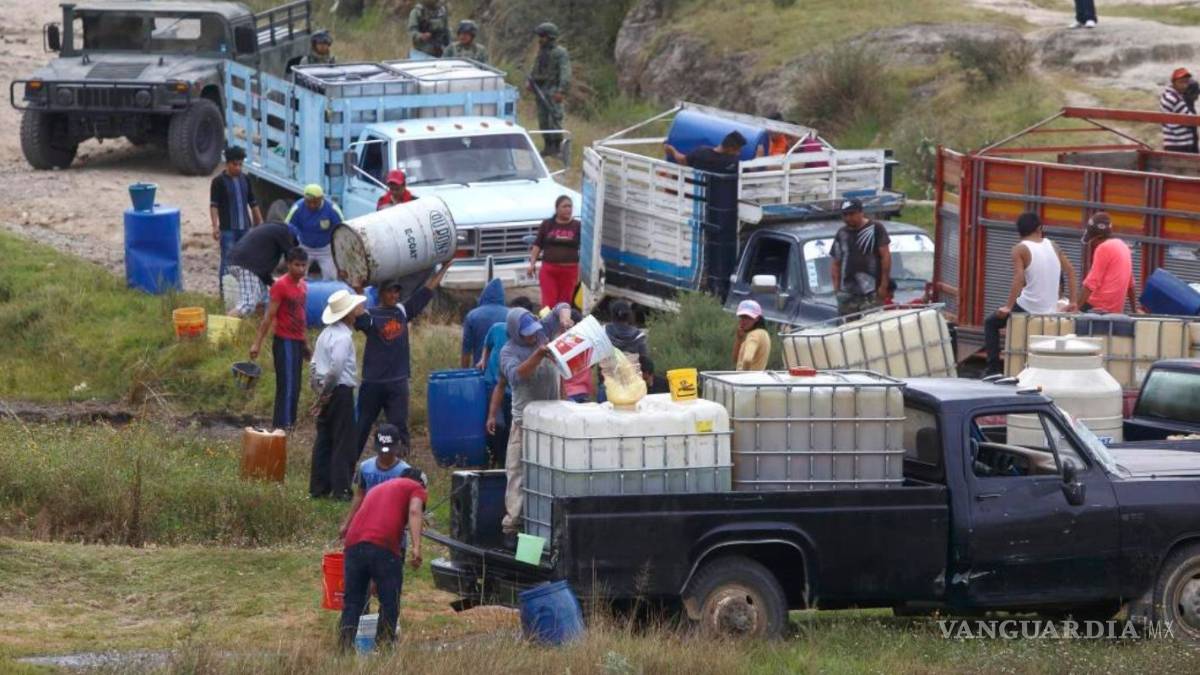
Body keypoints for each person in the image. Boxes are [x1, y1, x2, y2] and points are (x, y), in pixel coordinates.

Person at [352, 262, 452, 455]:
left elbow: (427, 291)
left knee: (399, 426)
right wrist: (357, 288)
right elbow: (357, 311)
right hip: (373, 382)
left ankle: (401, 463)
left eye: (396, 292)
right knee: (362, 425)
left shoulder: (402, 311)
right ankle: (350, 462)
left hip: (397, 382)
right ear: (381, 293)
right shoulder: (371, 315)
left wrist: (444, 268)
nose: (394, 295)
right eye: (390, 292)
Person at [490, 307, 562, 546]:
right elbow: (516, 376)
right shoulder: (508, 352)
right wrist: (539, 355)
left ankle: (550, 525)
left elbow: (562, 306)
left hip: (553, 421)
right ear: (515, 332)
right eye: (527, 334)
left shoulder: (543, 331)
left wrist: (565, 316)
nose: (533, 336)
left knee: (549, 474)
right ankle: (512, 527)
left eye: (534, 332)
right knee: (517, 473)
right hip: (525, 423)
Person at [338, 466, 427, 652]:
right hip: (383, 545)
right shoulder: (416, 487)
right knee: (389, 601)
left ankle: (344, 650)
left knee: (353, 601)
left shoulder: (379, 488)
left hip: (353, 545)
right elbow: (414, 512)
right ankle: (384, 649)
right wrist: (417, 547)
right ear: (422, 484)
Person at [983, 212, 1079, 375]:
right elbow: (1070, 271)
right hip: (1050, 309)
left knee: (991, 323)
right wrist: (1074, 302)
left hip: (1028, 306)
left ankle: (993, 370)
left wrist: (1008, 306)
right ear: (1039, 228)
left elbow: (1019, 278)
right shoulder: (1053, 245)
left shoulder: (1019, 249)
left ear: (1019, 231)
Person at [309, 289, 368, 500]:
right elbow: (336, 368)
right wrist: (327, 392)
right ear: (348, 313)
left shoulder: (325, 334)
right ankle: (341, 489)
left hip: (327, 388)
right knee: (344, 441)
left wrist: (318, 390)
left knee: (324, 439)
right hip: (339, 390)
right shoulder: (343, 337)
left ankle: (319, 487)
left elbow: (314, 365)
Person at [250, 247, 310, 430]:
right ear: (288, 265)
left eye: (303, 265)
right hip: (284, 340)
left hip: (297, 340)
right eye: (296, 265)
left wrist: (306, 343)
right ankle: (281, 427)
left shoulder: (303, 285)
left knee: (296, 386)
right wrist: (257, 344)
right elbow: (269, 317)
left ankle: (289, 424)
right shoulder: (280, 286)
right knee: (287, 385)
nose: (300, 269)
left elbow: (301, 315)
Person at [478, 297, 534, 467]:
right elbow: (487, 345)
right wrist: (483, 360)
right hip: (495, 385)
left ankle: (508, 462)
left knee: (512, 427)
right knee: (498, 425)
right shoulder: (497, 329)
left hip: (516, 393)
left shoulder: (531, 341)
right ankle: (496, 458)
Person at [340, 424, 413, 541]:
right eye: (382, 451)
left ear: (398, 445)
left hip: (393, 531)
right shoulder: (365, 467)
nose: (385, 455)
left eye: (389, 451)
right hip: (368, 526)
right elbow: (360, 495)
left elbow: (410, 505)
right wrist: (347, 523)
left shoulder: (406, 472)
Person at [210, 146, 263, 301]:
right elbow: (214, 205)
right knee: (227, 261)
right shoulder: (218, 182)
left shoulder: (245, 179)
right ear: (227, 164)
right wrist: (215, 226)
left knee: (247, 261)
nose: (238, 168)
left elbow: (253, 203)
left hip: (245, 229)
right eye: (235, 164)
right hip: (228, 230)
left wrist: (260, 223)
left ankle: (245, 294)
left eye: (240, 164)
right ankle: (225, 296)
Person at [830, 198, 892, 316]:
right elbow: (835, 262)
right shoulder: (841, 233)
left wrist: (884, 286)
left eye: (852, 214)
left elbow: (886, 257)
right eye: (845, 215)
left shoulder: (875, 228)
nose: (848, 218)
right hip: (847, 294)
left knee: (871, 328)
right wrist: (837, 290)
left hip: (871, 292)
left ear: (861, 212)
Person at [226, 222, 296, 318]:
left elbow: (262, 271)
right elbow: (292, 256)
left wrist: (272, 283)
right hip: (246, 265)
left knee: (265, 299)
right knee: (247, 305)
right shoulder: (285, 232)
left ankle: (260, 327)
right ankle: (222, 327)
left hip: (238, 262)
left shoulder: (272, 232)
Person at [1079, 212, 1139, 314]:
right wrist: (1134, 309)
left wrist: (1076, 307)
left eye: (1092, 241)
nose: (1092, 245)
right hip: (1115, 311)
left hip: (1096, 308)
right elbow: (1131, 285)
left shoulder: (1103, 248)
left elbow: (1091, 283)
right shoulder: (1123, 246)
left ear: (1098, 236)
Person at [528, 195, 581, 308]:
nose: (568, 209)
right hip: (549, 270)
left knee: (564, 305)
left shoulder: (577, 226)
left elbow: (584, 249)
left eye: (570, 206)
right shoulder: (547, 224)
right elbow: (537, 245)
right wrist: (532, 264)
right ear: (557, 209)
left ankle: (562, 326)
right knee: (548, 303)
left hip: (569, 271)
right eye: (565, 206)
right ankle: (547, 324)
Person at [286, 184, 344, 280]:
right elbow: (287, 227)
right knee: (297, 278)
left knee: (331, 278)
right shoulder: (297, 208)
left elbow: (342, 228)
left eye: (315, 202)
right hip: (305, 248)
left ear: (322, 198)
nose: (312, 205)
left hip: (325, 249)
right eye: (308, 202)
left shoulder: (332, 209)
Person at [600, 299, 654, 402]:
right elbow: (645, 361)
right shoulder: (639, 336)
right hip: (632, 388)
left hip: (607, 387)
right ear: (629, 315)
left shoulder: (603, 332)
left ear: (612, 314)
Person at [530, 23, 571, 157]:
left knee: (555, 119)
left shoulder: (560, 53)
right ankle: (547, 146)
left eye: (542, 36)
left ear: (549, 37)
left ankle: (557, 147)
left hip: (553, 90)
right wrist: (530, 81)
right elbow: (535, 68)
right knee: (543, 120)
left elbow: (565, 72)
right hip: (540, 89)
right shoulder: (541, 52)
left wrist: (561, 90)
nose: (540, 39)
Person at [461, 278, 509, 368]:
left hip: (481, 368)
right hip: (505, 371)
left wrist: (465, 373)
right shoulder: (511, 315)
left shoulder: (472, 316)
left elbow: (466, 350)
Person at [663, 131, 747, 174]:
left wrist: (672, 150)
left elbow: (682, 160)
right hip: (717, 202)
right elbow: (750, 170)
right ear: (730, 148)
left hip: (694, 194)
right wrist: (758, 158)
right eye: (738, 150)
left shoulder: (701, 152)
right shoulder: (732, 163)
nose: (739, 153)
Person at [1160, 68, 1198, 154]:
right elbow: (1191, 120)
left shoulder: (1167, 94)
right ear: (1174, 82)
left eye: (1186, 82)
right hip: (1180, 142)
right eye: (1181, 82)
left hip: (1173, 141)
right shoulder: (1175, 99)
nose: (1184, 85)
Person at [734, 300, 771, 371]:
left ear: (757, 318)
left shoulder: (754, 335)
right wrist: (739, 339)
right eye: (741, 317)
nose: (743, 321)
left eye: (747, 317)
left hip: (746, 380)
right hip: (756, 379)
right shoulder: (764, 334)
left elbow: (747, 359)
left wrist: (744, 376)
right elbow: (736, 360)